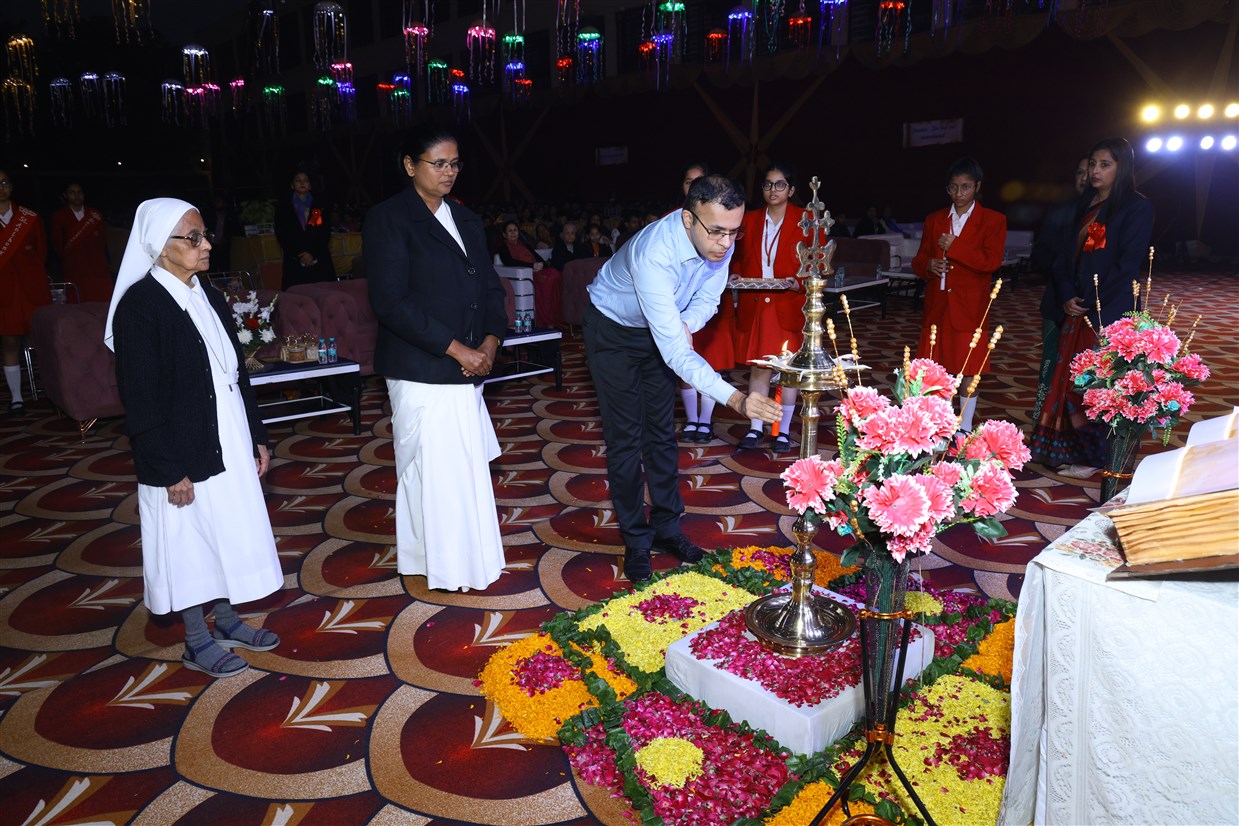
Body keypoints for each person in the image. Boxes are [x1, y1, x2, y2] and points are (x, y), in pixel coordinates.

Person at [106, 198, 283, 678]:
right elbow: (140, 399)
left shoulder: (207, 293)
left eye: (205, 236)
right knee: (187, 543)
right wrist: (168, 469)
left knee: (225, 530)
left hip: (226, 434)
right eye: (194, 237)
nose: (206, 245)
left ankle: (226, 620)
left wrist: (256, 436)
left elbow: (237, 375)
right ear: (161, 247)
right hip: (179, 447)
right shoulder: (140, 307)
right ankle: (196, 641)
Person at [584, 174, 781, 582]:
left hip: (663, 325)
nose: (726, 243)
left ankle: (667, 528)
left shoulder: (719, 236)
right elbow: (675, 353)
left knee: (660, 433)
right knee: (626, 438)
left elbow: (708, 298)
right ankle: (636, 538)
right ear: (688, 219)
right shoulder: (654, 253)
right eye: (717, 232)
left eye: (734, 232)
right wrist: (736, 399)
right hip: (613, 332)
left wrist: (683, 324)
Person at [364, 124, 508, 593]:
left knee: (463, 468)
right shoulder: (389, 219)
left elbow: (490, 288)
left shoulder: (466, 219)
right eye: (439, 163)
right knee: (432, 472)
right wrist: (457, 349)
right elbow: (391, 302)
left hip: (469, 363)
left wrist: (490, 343)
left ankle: (468, 559)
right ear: (411, 166)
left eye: (455, 164)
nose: (449, 172)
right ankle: (437, 563)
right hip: (420, 365)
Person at [1029, 137, 1154, 474]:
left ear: (1122, 168)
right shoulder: (1083, 205)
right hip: (1076, 307)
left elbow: (1127, 264)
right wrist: (1067, 295)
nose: (1095, 171)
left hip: (1110, 312)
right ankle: (1068, 451)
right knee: (1070, 382)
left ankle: (1096, 457)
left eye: (1105, 165)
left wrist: (1089, 301)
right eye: (1093, 164)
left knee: (1099, 386)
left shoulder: (1136, 208)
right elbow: (1060, 259)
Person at [911, 157, 1007, 432]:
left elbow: (990, 262)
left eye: (965, 187)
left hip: (970, 308)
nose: (959, 194)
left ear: (977, 186)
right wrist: (928, 265)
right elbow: (918, 260)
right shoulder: (934, 219)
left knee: (969, 372)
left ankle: (964, 429)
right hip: (937, 308)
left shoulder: (993, 220)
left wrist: (955, 246)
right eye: (953, 188)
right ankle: (938, 427)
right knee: (935, 373)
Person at [731, 162, 809, 452]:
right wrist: (735, 273)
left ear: (791, 189)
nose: (772, 190)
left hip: (787, 303)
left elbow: (817, 263)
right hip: (756, 303)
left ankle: (782, 431)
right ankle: (755, 428)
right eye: (767, 184)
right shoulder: (749, 219)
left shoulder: (806, 220)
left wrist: (798, 282)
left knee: (787, 371)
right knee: (760, 368)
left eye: (779, 185)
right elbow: (737, 255)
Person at [674, 162, 732, 444]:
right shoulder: (673, 222)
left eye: (699, 182)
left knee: (710, 363)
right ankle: (691, 420)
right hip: (678, 308)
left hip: (708, 309)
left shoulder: (723, 225)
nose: (694, 187)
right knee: (684, 365)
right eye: (689, 182)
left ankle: (706, 421)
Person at [1030, 154, 1089, 424]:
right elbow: (1040, 255)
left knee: (1086, 376)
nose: (1085, 178)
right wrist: (1063, 262)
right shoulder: (1062, 211)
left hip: (1094, 311)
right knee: (1050, 372)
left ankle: (1078, 434)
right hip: (1057, 306)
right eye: (1079, 172)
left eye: (1090, 171)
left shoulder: (1114, 214)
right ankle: (1042, 429)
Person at [0, 170, 51, 416]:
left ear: (11, 186)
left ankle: (54, 392)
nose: (1, 187)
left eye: (4, 182)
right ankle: (17, 399)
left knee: (41, 341)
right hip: (4, 293)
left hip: (32, 291)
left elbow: (41, 253)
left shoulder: (30, 218)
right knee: (9, 343)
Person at [50, 182, 113, 303]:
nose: (76, 196)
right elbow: (57, 243)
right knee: (78, 300)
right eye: (72, 192)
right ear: (65, 195)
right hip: (75, 267)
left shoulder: (95, 215)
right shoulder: (59, 216)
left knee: (102, 299)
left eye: (79, 192)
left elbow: (102, 242)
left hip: (97, 266)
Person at [273, 169, 335, 289]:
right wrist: (300, 254)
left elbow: (323, 232)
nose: (302, 183)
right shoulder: (284, 207)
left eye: (305, 181)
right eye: (298, 181)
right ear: (292, 185)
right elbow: (282, 234)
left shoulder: (318, 205)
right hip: (295, 261)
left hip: (318, 259)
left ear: (310, 185)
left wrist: (312, 253)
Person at [499, 219, 562, 328]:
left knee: (556, 274)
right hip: (526, 275)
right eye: (510, 231)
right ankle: (546, 320)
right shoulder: (503, 247)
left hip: (537, 270)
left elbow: (537, 258)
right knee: (549, 279)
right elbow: (509, 261)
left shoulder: (524, 244)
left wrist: (542, 265)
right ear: (504, 234)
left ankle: (556, 318)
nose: (513, 233)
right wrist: (531, 266)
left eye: (515, 230)